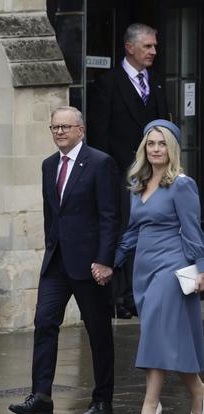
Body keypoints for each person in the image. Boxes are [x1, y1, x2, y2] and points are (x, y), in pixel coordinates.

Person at [8, 106, 120, 414]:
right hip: (56, 262)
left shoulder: (100, 163)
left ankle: (103, 400)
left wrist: (105, 259)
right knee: (44, 323)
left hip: (90, 264)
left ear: (80, 130)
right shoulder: (48, 166)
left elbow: (110, 215)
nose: (59, 132)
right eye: (55, 127)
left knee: (98, 332)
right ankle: (41, 395)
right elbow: (51, 214)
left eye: (65, 127)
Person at [113, 120, 204, 414]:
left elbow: (193, 231)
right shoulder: (137, 185)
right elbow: (134, 231)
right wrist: (110, 260)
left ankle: (150, 405)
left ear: (172, 148)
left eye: (162, 143)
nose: (155, 149)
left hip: (172, 266)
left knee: (154, 332)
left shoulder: (180, 184)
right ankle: (199, 393)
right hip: (144, 269)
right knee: (170, 337)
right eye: (150, 143)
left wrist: (201, 269)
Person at [88, 23, 170, 320]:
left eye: (155, 46)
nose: (153, 52)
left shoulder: (157, 82)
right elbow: (100, 133)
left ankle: (142, 293)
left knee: (151, 231)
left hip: (154, 173)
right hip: (120, 174)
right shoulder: (107, 83)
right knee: (123, 231)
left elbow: (165, 129)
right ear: (129, 47)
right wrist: (106, 175)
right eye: (148, 46)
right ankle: (119, 296)